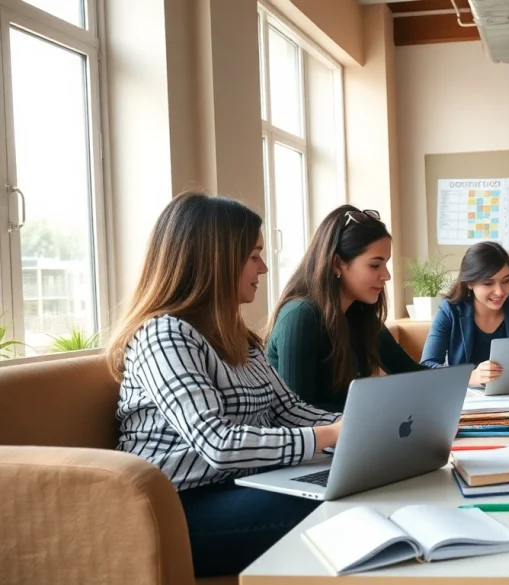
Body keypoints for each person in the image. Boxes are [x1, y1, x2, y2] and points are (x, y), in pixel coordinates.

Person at [108, 192, 341, 578]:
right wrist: (328, 434)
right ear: (214, 261)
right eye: (253, 255)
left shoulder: (239, 338)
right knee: (334, 506)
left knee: (355, 488)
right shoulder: (164, 335)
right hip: (177, 507)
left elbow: (288, 409)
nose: (263, 268)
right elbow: (218, 443)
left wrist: (361, 425)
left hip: (238, 485)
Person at [266, 205, 424, 412]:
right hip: (314, 441)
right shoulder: (300, 316)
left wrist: (469, 376)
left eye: (385, 264)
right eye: (375, 265)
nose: (386, 275)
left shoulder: (359, 314)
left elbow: (412, 374)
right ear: (336, 264)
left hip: (347, 437)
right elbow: (298, 412)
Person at [420, 241, 509, 386]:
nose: (500, 291)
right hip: (465, 400)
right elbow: (427, 366)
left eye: (506, 281)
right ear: (469, 283)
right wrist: (470, 377)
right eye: (488, 283)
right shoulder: (450, 311)